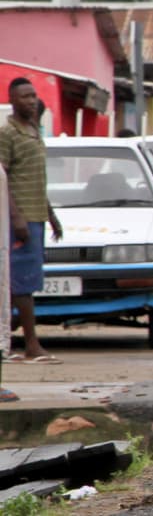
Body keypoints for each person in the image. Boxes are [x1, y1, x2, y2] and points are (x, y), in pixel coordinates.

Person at [1, 78, 63, 366]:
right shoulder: (7, 134)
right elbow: (2, 179)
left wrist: (51, 216)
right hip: (19, 220)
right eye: (25, 97)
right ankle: (31, 344)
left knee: (25, 283)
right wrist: (16, 217)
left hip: (36, 215)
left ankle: (10, 340)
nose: (31, 101)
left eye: (33, 95)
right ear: (12, 101)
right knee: (21, 285)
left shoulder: (34, 132)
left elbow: (36, 179)